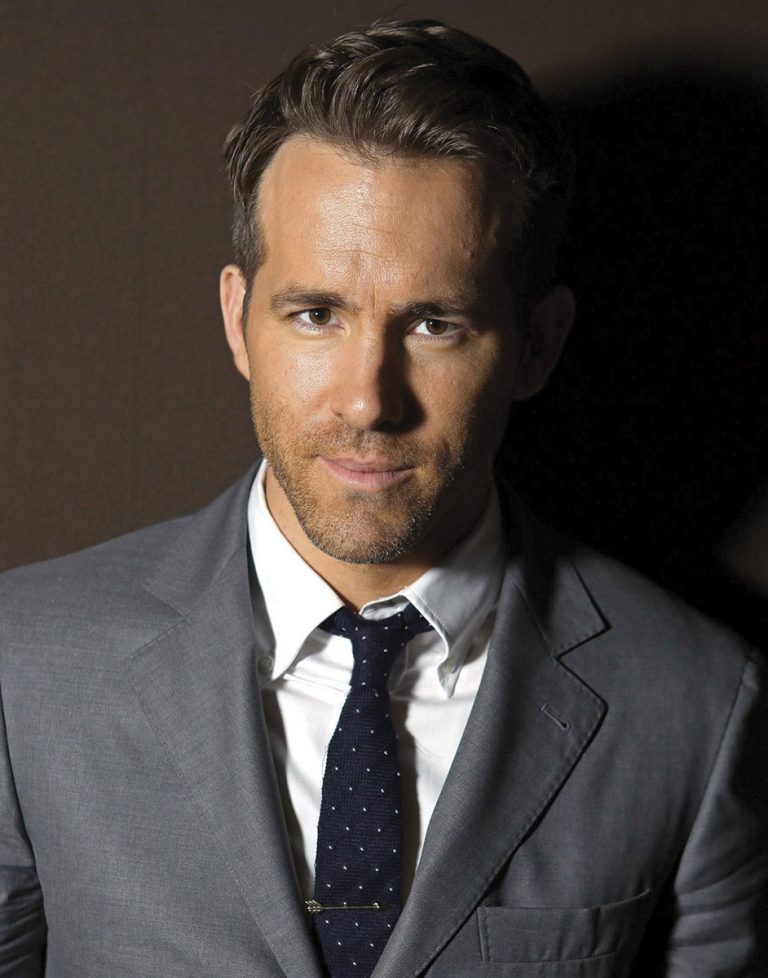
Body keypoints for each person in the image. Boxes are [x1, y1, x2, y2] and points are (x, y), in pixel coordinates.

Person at [0, 19, 766, 978]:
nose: (369, 400)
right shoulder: (22, 667)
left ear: (536, 345)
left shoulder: (697, 705)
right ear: (238, 320)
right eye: (316, 314)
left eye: (436, 324)